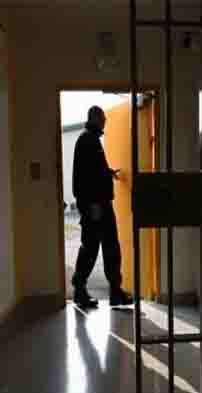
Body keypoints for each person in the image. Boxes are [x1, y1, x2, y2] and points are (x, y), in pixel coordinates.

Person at [71, 106, 133, 309]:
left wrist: (108, 173)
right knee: (92, 247)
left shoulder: (90, 140)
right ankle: (81, 290)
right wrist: (93, 205)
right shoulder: (87, 140)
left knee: (108, 246)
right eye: (103, 118)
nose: (105, 120)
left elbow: (94, 170)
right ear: (95, 118)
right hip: (96, 205)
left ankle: (114, 291)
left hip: (99, 203)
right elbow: (86, 177)